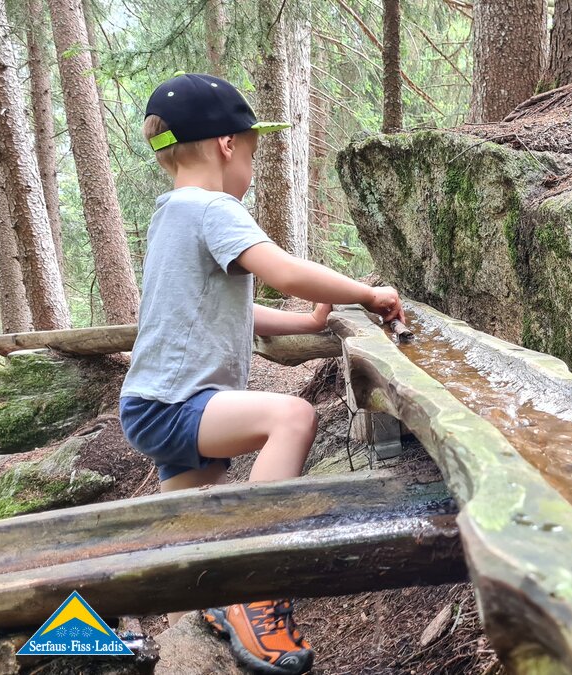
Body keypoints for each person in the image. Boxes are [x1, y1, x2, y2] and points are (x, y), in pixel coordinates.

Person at [119, 73, 406, 675]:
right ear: (227, 145)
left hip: (155, 402)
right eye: (251, 154)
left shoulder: (170, 213)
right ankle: (256, 587)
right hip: (177, 404)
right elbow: (283, 270)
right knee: (292, 416)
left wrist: (304, 322)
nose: (250, 169)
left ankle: (204, 615)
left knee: (190, 534)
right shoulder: (212, 208)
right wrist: (367, 293)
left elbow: (228, 308)